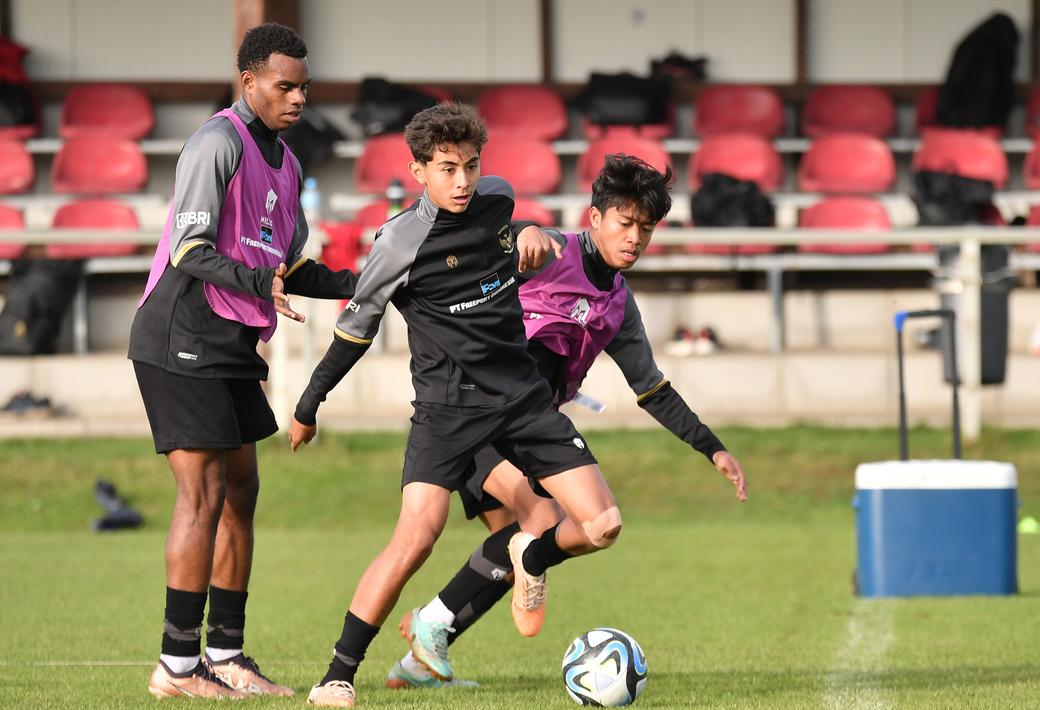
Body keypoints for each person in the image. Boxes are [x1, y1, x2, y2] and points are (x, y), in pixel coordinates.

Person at [290, 103, 629, 708]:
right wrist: (309, 403)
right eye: (447, 169)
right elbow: (354, 329)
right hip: (447, 412)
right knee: (415, 539)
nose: (463, 180)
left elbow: (520, 234)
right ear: (418, 170)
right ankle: (337, 676)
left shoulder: (497, 199)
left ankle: (530, 553)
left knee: (603, 526)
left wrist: (533, 231)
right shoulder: (399, 240)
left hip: (524, 402)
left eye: (471, 165)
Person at [385, 154, 749, 690]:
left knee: (516, 548)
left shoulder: (618, 305)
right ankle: (426, 627)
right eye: (625, 223)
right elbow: (481, 241)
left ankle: (420, 657)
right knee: (537, 526)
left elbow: (651, 388)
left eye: (646, 229)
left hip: (528, 428)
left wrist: (712, 447)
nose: (635, 238)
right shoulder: (551, 252)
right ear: (595, 217)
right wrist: (523, 230)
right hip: (468, 413)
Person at [128, 23, 356, 699]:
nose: (298, 98)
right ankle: (176, 667)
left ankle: (226, 655)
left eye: (304, 87)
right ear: (249, 81)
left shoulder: (288, 163)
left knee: (242, 492)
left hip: (230, 344)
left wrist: (365, 283)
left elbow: (290, 266)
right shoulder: (216, 142)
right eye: (284, 86)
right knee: (201, 496)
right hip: (180, 333)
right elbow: (189, 250)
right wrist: (263, 282)